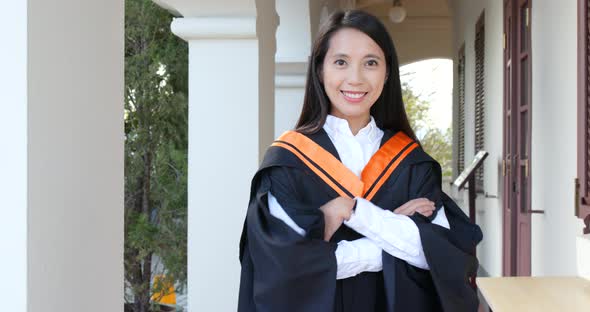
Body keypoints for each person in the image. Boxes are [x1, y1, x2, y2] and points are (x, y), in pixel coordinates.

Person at [238, 9, 482, 312]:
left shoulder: (411, 162)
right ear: (320, 70)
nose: (355, 78)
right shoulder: (288, 162)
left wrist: (352, 210)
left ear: (387, 72)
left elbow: (439, 252)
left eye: (371, 63)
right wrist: (392, 233)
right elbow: (285, 268)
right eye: (341, 62)